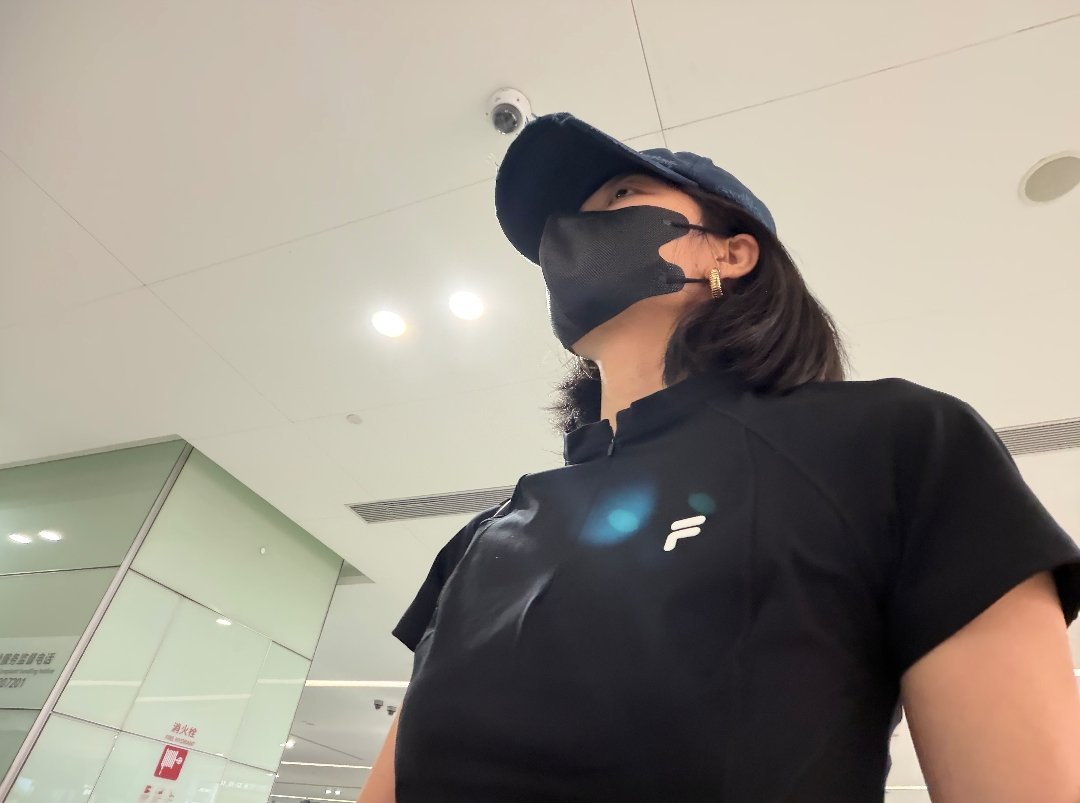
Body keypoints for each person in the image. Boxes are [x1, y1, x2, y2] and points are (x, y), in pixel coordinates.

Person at [357, 112, 1080, 803]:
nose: (572, 234)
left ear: (730, 253)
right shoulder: (478, 545)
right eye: (566, 220)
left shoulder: (895, 446)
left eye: (621, 195)